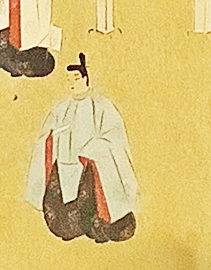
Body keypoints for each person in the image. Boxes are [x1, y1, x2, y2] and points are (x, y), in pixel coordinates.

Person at [25, 54, 138, 241]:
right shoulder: (61, 108)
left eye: (76, 78)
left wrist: (93, 150)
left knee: (90, 208)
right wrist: (53, 137)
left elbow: (114, 137)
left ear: (85, 78)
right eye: (69, 79)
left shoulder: (102, 106)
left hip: (91, 169)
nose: (72, 83)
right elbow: (44, 137)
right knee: (61, 217)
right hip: (63, 167)